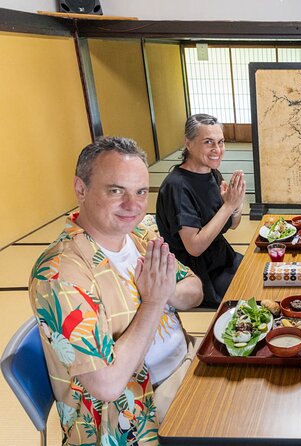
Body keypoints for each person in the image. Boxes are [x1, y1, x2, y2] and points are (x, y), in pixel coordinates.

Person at [29, 137, 203, 445]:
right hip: (133, 410)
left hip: (188, 358)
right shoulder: (61, 273)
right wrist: (153, 301)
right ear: (80, 189)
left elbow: (194, 289)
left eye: (139, 192)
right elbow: (107, 384)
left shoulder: (138, 235)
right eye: (115, 190)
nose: (132, 205)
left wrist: (165, 291)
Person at [156, 114, 246, 308]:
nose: (217, 150)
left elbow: (232, 225)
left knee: (266, 273)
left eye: (221, 142)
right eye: (208, 142)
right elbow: (194, 248)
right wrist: (228, 206)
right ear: (188, 143)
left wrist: (235, 206)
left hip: (222, 258)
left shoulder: (212, 173)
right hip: (199, 275)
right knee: (255, 294)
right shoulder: (177, 187)